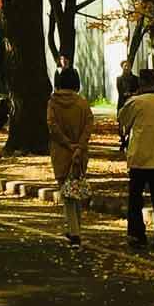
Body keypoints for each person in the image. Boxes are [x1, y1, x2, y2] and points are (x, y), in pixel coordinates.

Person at [118, 67, 154, 251]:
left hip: (140, 156)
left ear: (141, 83)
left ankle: (136, 234)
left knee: (135, 198)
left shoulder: (135, 102)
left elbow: (123, 120)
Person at [47, 67, 94, 245]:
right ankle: (76, 228)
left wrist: (67, 144)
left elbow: (52, 126)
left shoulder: (53, 102)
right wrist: (79, 147)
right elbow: (89, 126)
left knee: (67, 192)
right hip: (80, 154)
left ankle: (74, 231)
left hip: (61, 151)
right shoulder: (82, 103)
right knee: (76, 189)